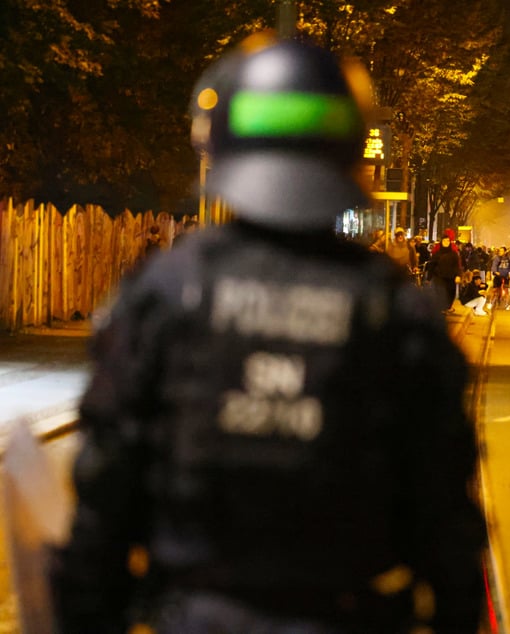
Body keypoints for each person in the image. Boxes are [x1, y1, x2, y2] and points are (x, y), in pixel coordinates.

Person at [50, 33, 486, 634]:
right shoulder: (391, 306)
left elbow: (104, 495)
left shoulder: (166, 290)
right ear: (352, 145)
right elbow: (443, 509)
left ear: (221, 138)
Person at [430, 229, 462, 313]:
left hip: (451, 277)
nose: (446, 242)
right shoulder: (437, 253)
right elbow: (432, 265)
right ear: (442, 242)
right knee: (440, 293)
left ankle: (448, 307)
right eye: (444, 241)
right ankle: (442, 308)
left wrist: (458, 275)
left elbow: (457, 265)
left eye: (448, 241)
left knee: (451, 293)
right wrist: (429, 278)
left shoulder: (453, 253)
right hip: (439, 277)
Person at [489, 246, 510, 310]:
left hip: (506, 276)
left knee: (506, 290)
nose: (500, 252)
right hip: (498, 275)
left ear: (505, 252)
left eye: (502, 251)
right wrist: (495, 271)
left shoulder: (509, 258)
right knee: (495, 290)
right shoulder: (497, 258)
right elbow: (494, 265)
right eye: (500, 251)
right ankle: (490, 302)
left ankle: (507, 304)